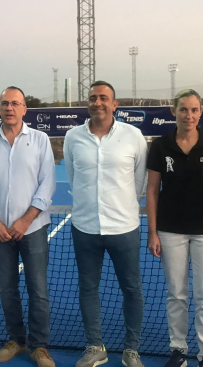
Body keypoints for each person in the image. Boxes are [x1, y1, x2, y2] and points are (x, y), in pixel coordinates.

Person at [146, 89, 203, 367]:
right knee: (176, 294)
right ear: (174, 112)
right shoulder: (160, 145)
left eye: (194, 110)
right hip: (171, 231)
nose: (189, 115)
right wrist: (153, 231)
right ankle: (178, 350)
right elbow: (152, 190)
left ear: (201, 112)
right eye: (184, 109)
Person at [63, 80, 147, 367]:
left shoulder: (134, 136)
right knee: (88, 288)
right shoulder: (73, 137)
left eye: (103, 98)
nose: (97, 102)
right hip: (85, 228)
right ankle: (95, 346)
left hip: (124, 228)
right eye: (92, 98)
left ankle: (131, 350)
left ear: (115, 104)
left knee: (132, 289)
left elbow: (139, 183)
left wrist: (120, 207)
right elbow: (73, 178)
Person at [0, 87, 56, 367]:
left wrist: (26, 219)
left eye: (15, 103)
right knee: (7, 289)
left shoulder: (40, 140)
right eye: (4, 103)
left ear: (24, 109)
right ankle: (16, 340)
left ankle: (39, 346)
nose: (9, 108)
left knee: (38, 289)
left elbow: (47, 184)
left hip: (33, 230)